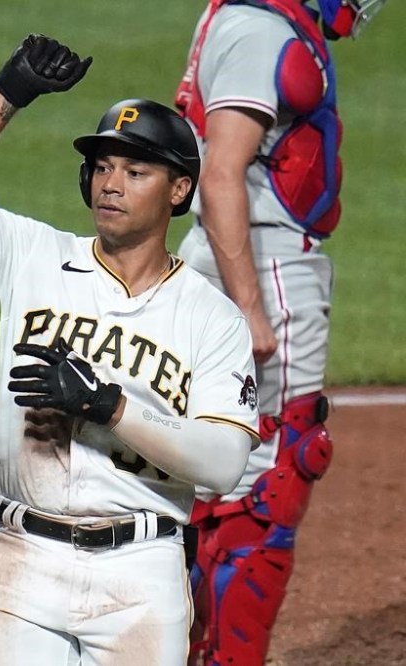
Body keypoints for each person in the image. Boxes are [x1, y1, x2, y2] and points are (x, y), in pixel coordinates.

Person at [0, 34, 259, 664]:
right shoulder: (34, 257)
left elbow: (224, 462)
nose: (110, 185)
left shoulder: (212, 318)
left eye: (135, 172)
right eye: (101, 168)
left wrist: (109, 407)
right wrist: (8, 93)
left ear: (179, 190)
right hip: (22, 561)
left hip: (142, 574)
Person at [173, 1, 386, 662]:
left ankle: (179, 647)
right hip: (260, 260)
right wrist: (250, 305)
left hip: (233, 251)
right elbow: (220, 174)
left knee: (210, 477)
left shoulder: (250, 16)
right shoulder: (262, 28)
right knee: (274, 475)